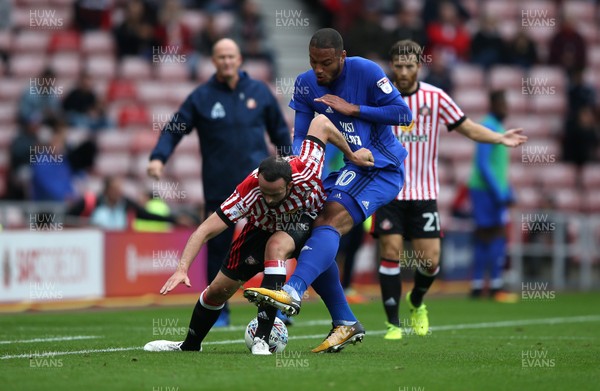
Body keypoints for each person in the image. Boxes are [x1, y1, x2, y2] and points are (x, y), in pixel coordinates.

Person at [143, 114, 374, 355]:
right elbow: (204, 230)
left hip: (302, 221)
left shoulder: (306, 170)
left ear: (290, 183)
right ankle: (189, 345)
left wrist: (351, 154)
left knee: (276, 246)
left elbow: (322, 123)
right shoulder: (248, 191)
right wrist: (182, 268)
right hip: (259, 228)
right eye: (265, 193)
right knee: (218, 290)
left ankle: (262, 339)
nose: (269, 199)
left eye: (276, 194)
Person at [243, 28, 414, 353]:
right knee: (310, 233)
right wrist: (297, 169)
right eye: (313, 62)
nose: (318, 70)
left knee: (328, 221)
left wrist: (354, 109)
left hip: (382, 166)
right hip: (351, 167)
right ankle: (345, 321)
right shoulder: (306, 83)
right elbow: (301, 134)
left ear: (342, 57)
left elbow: (403, 115)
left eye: (326, 63)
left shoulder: (365, 71)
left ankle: (292, 290)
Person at [371, 40, 527, 340]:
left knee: (430, 262)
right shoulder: (378, 97)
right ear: (392, 66)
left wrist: (498, 138)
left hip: (424, 194)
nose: (403, 72)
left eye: (409, 66)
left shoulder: (436, 97)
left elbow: (467, 126)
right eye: (399, 66)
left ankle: (416, 301)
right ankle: (392, 324)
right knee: (389, 252)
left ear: (419, 65)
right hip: (388, 191)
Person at [147, 38, 292, 327]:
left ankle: (272, 306)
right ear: (214, 61)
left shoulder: (259, 92)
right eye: (221, 57)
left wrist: (289, 170)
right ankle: (218, 309)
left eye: (231, 56)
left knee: (270, 246)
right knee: (218, 249)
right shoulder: (201, 97)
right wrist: (158, 158)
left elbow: (280, 133)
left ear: (239, 60)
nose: (227, 61)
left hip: (259, 189)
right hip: (219, 186)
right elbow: (175, 127)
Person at [468, 90, 519, 302]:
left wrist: (508, 189)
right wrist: (500, 192)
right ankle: (496, 285)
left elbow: (497, 167)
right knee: (495, 235)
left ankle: (479, 286)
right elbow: (483, 163)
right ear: (494, 104)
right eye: (503, 104)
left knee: (485, 236)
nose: (506, 108)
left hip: (488, 190)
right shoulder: (489, 126)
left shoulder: (496, 128)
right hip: (485, 191)